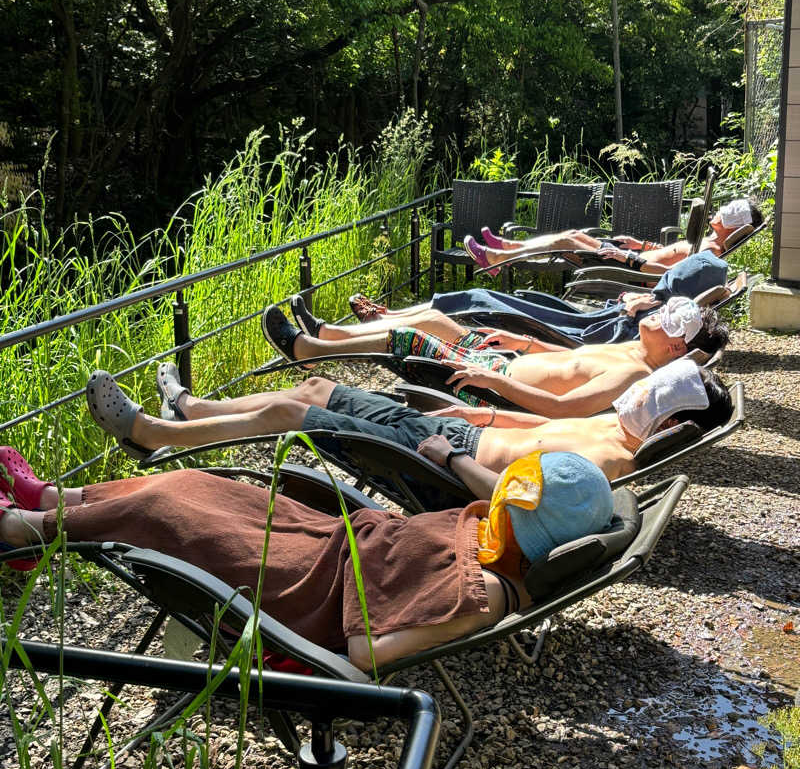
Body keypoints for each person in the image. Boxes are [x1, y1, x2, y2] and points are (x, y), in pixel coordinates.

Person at [0, 446, 614, 668]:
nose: (495, 498)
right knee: (197, 484)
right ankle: (56, 499)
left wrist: (312, 656)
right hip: (325, 538)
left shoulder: (488, 590)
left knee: (167, 510)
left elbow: (371, 649)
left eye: (507, 500)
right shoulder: (493, 541)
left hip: (301, 590)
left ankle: (25, 531)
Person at [84, 358, 733, 489]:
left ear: (671, 427)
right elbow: (528, 424)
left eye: (653, 403)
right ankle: (192, 409)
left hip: (437, 466)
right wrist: (470, 412)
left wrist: (450, 457)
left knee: (290, 413)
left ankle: (151, 434)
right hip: (458, 434)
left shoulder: (615, 464)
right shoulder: (617, 426)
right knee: (317, 385)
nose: (637, 400)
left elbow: (514, 497)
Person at [261, 295, 729, 414]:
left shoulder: (632, 377)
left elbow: (561, 410)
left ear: (674, 347)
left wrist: (496, 382)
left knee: (411, 341)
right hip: (498, 363)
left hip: (493, 389)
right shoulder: (633, 348)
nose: (654, 314)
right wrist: (523, 343)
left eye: (665, 320)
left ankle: (308, 350)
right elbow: (570, 357)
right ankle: (330, 333)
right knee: (430, 319)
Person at [295, 250, 732, 348]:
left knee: (470, 302)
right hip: (572, 322)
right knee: (478, 292)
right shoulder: (657, 316)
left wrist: (633, 308)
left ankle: (333, 336)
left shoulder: (653, 335)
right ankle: (381, 317)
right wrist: (639, 303)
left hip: (558, 336)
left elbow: (586, 345)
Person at [463, 197, 764, 276]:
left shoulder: (711, 253)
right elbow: (669, 252)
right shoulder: (705, 242)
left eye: (728, 212)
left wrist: (629, 256)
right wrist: (640, 245)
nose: (720, 211)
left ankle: (498, 257)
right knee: (573, 233)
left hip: (628, 268)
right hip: (631, 257)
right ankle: (510, 248)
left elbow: (671, 272)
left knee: (567, 242)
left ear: (734, 226)